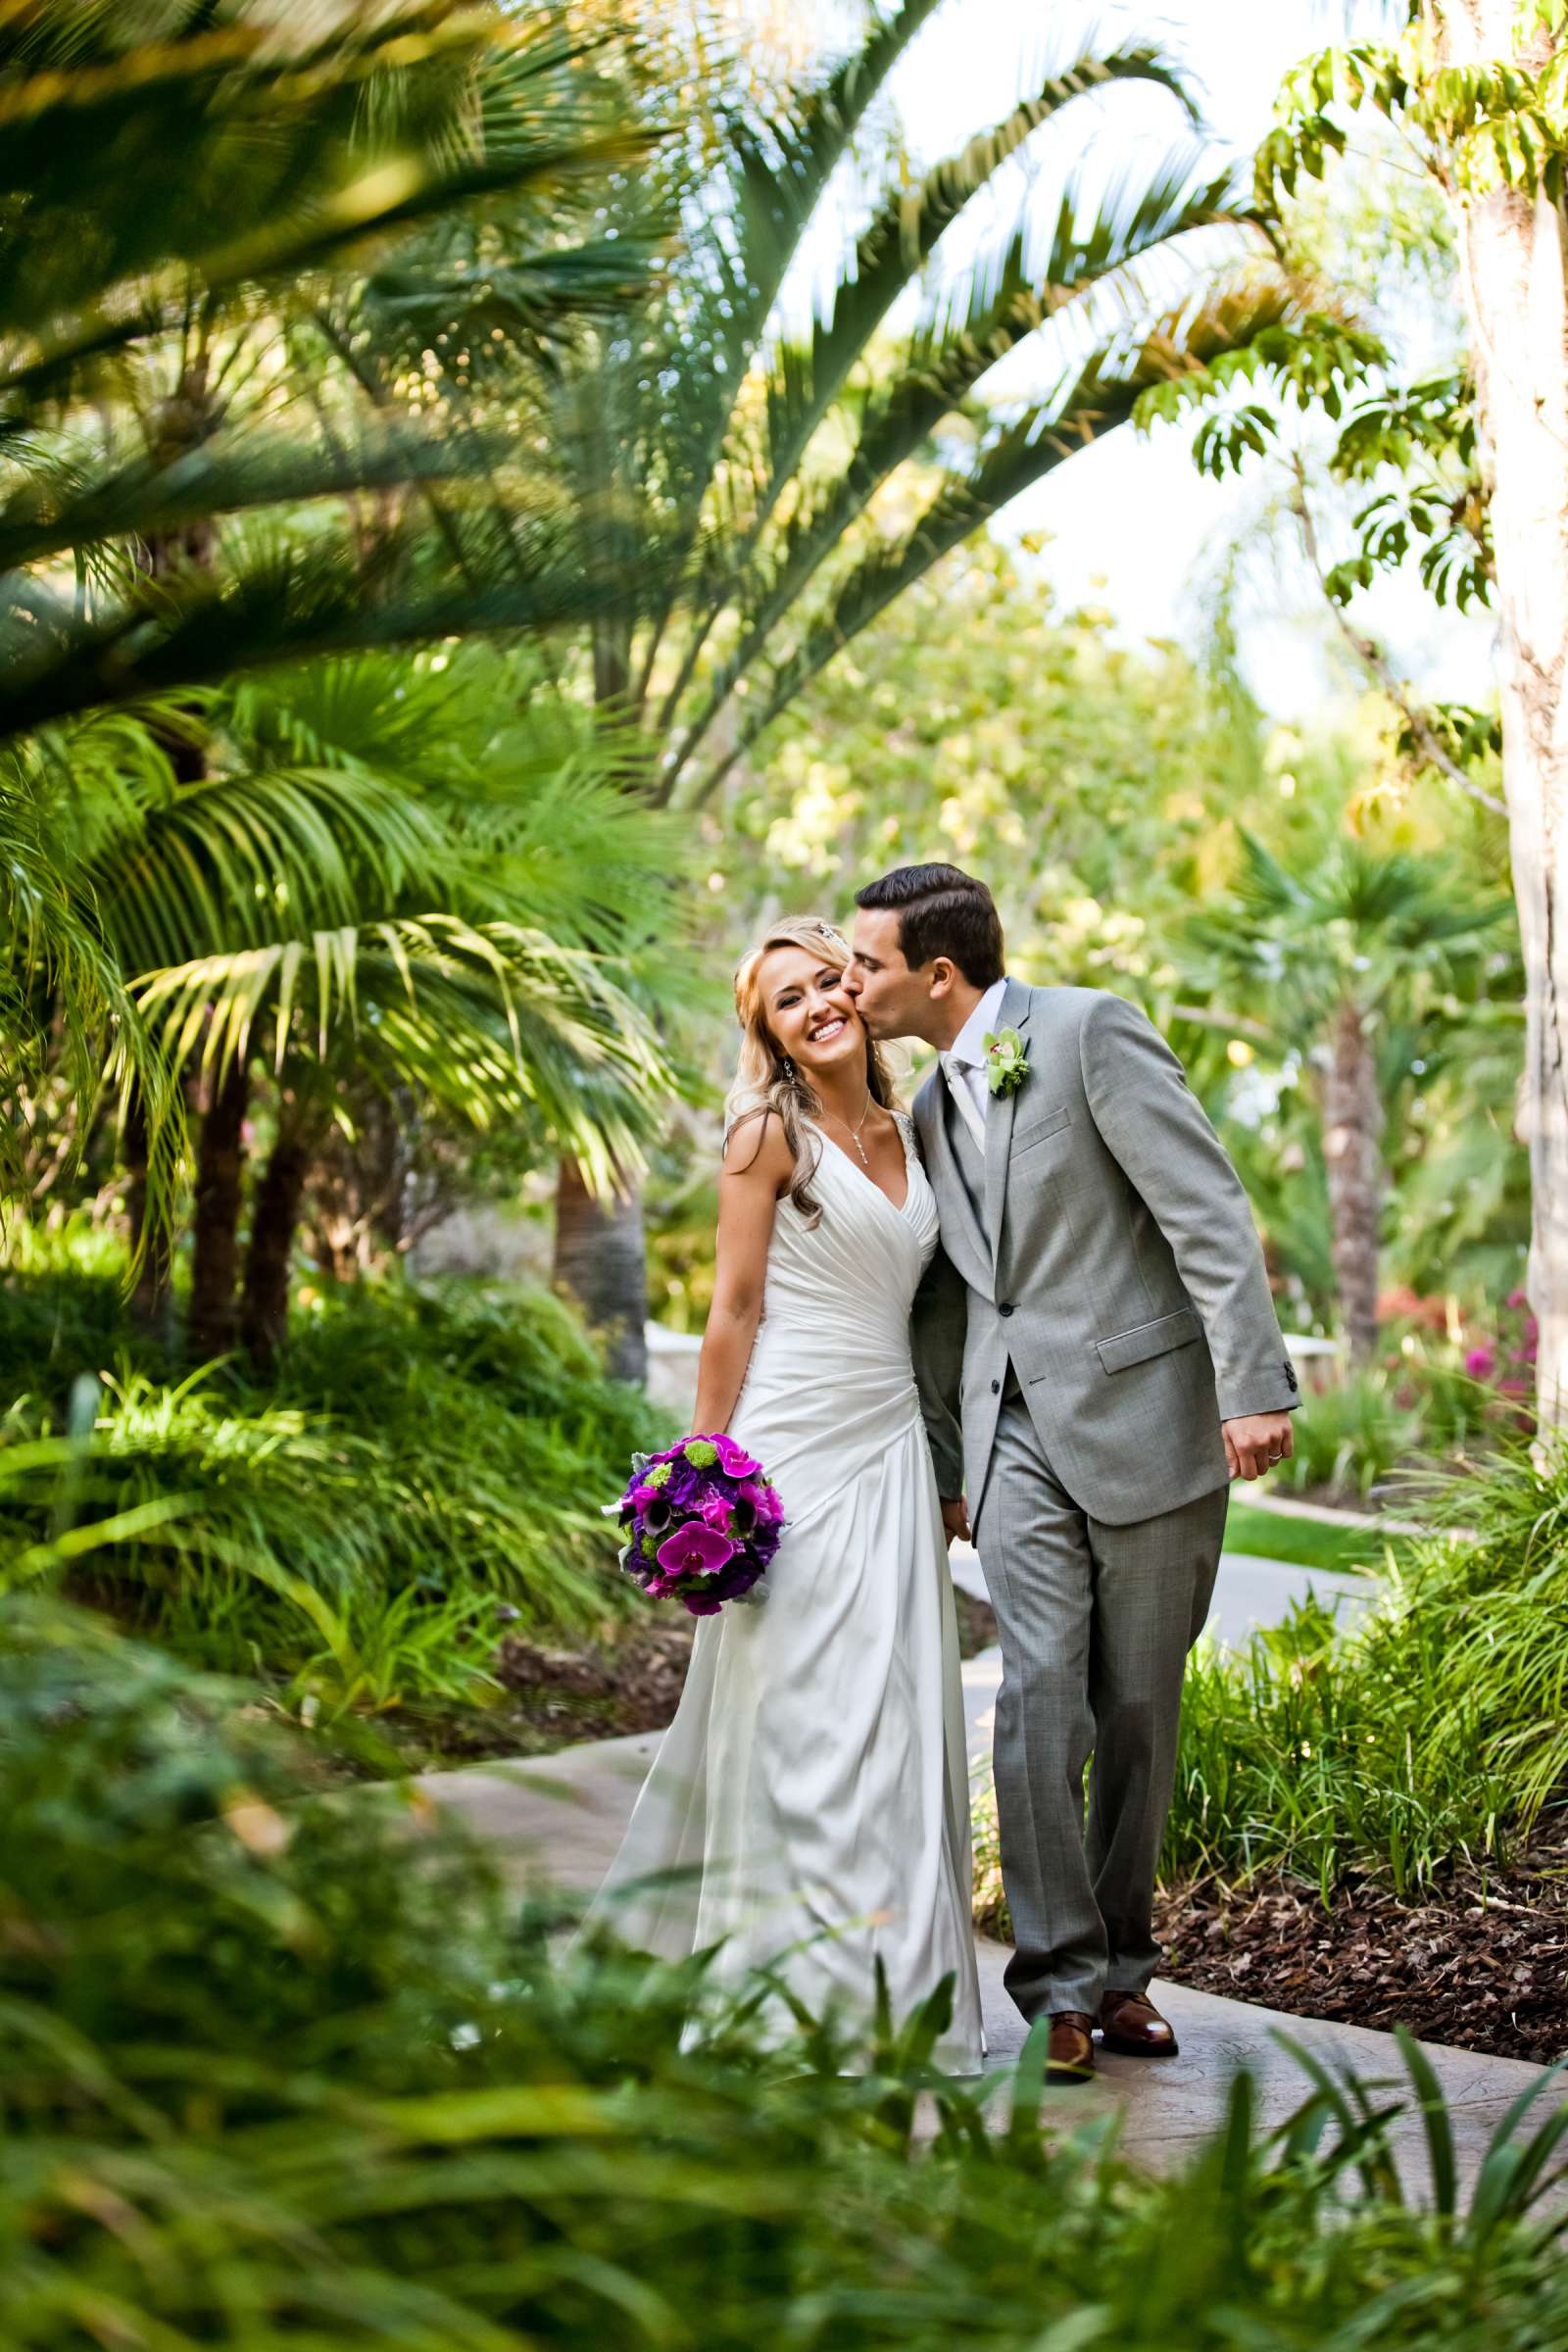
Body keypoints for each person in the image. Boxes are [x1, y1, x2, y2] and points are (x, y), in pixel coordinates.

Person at [846, 863, 1298, 2085]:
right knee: (1036, 1695)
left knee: (1138, 1711)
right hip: (1011, 1447)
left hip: (1147, 1419)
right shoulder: (927, 1110)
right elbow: (942, 1307)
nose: (852, 982)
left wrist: (1252, 1385)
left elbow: (1204, 1206)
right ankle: (1054, 1985)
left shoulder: (1091, 1030)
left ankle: (1123, 1974)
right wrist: (949, 1463)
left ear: (939, 975)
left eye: (868, 964)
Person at [583, 915, 983, 2073]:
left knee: (896, 1716)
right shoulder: (769, 1133)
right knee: (805, 1714)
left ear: (857, 991)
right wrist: (698, 1468)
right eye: (786, 1002)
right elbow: (734, 1308)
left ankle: (892, 1997)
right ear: (768, 1034)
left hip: (891, 1441)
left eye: (827, 982)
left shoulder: (915, 1132)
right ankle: (785, 2001)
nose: (818, 1006)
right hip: (791, 1445)